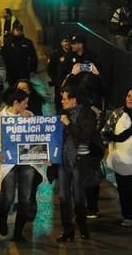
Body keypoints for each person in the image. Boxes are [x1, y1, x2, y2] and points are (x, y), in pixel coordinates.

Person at [0, 88, 43, 242]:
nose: (27, 106)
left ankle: (19, 232)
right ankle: (2, 217)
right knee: (8, 197)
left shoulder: (29, 116)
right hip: (7, 162)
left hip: (26, 161)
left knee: (25, 198)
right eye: (25, 103)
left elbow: (38, 137)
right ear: (16, 103)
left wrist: (42, 155)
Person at [57, 86, 101, 242]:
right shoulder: (63, 114)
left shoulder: (86, 114)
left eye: (65, 98)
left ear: (74, 100)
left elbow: (85, 136)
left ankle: (82, 227)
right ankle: (67, 230)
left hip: (79, 160)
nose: (62, 101)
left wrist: (68, 124)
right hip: (63, 161)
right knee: (63, 197)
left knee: (78, 198)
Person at [103, 87, 132, 227]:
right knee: (124, 189)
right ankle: (128, 216)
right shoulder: (117, 113)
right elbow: (105, 132)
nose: (130, 98)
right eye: (128, 95)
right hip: (122, 161)